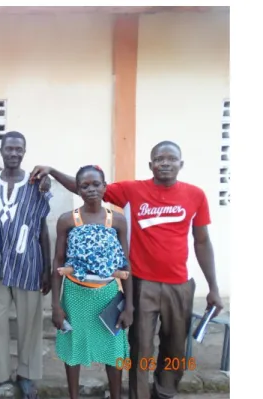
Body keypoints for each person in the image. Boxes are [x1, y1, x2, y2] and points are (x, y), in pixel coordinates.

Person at [30, 141, 225, 399]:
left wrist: (213, 287)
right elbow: (83, 186)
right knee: (139, 348)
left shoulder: (196, 195)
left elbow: (202, 241)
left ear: (181, 164)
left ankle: (165, 392)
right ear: (150, 164)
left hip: (180, 284)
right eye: (159, 158)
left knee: (175, 348)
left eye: (171, 159)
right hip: (143, 283)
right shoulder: (132, 190)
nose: (165, 163)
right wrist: (53, 171)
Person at [0, 131, 52, 399]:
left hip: (28, 264)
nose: (14, 153)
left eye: (19, 149)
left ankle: (27, 375)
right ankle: (1, 376)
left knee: (29, 322)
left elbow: (42, 229)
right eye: (9, 148)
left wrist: (47, 270)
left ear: (24, 151)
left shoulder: (36, 184)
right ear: (2, 149)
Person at [51, 165, 133, 399]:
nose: (91, 189)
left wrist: (129, 305)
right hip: (75, 296)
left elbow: (125, 263)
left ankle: (116, 395)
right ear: (77, 189)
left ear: (105, 187)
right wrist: (55, 306)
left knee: (113, 349)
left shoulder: (116, 221)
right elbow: (57, 263)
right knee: (73, 348)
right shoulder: (68, 220)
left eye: (96, 184)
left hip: (107, 296)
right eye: (84, 186)